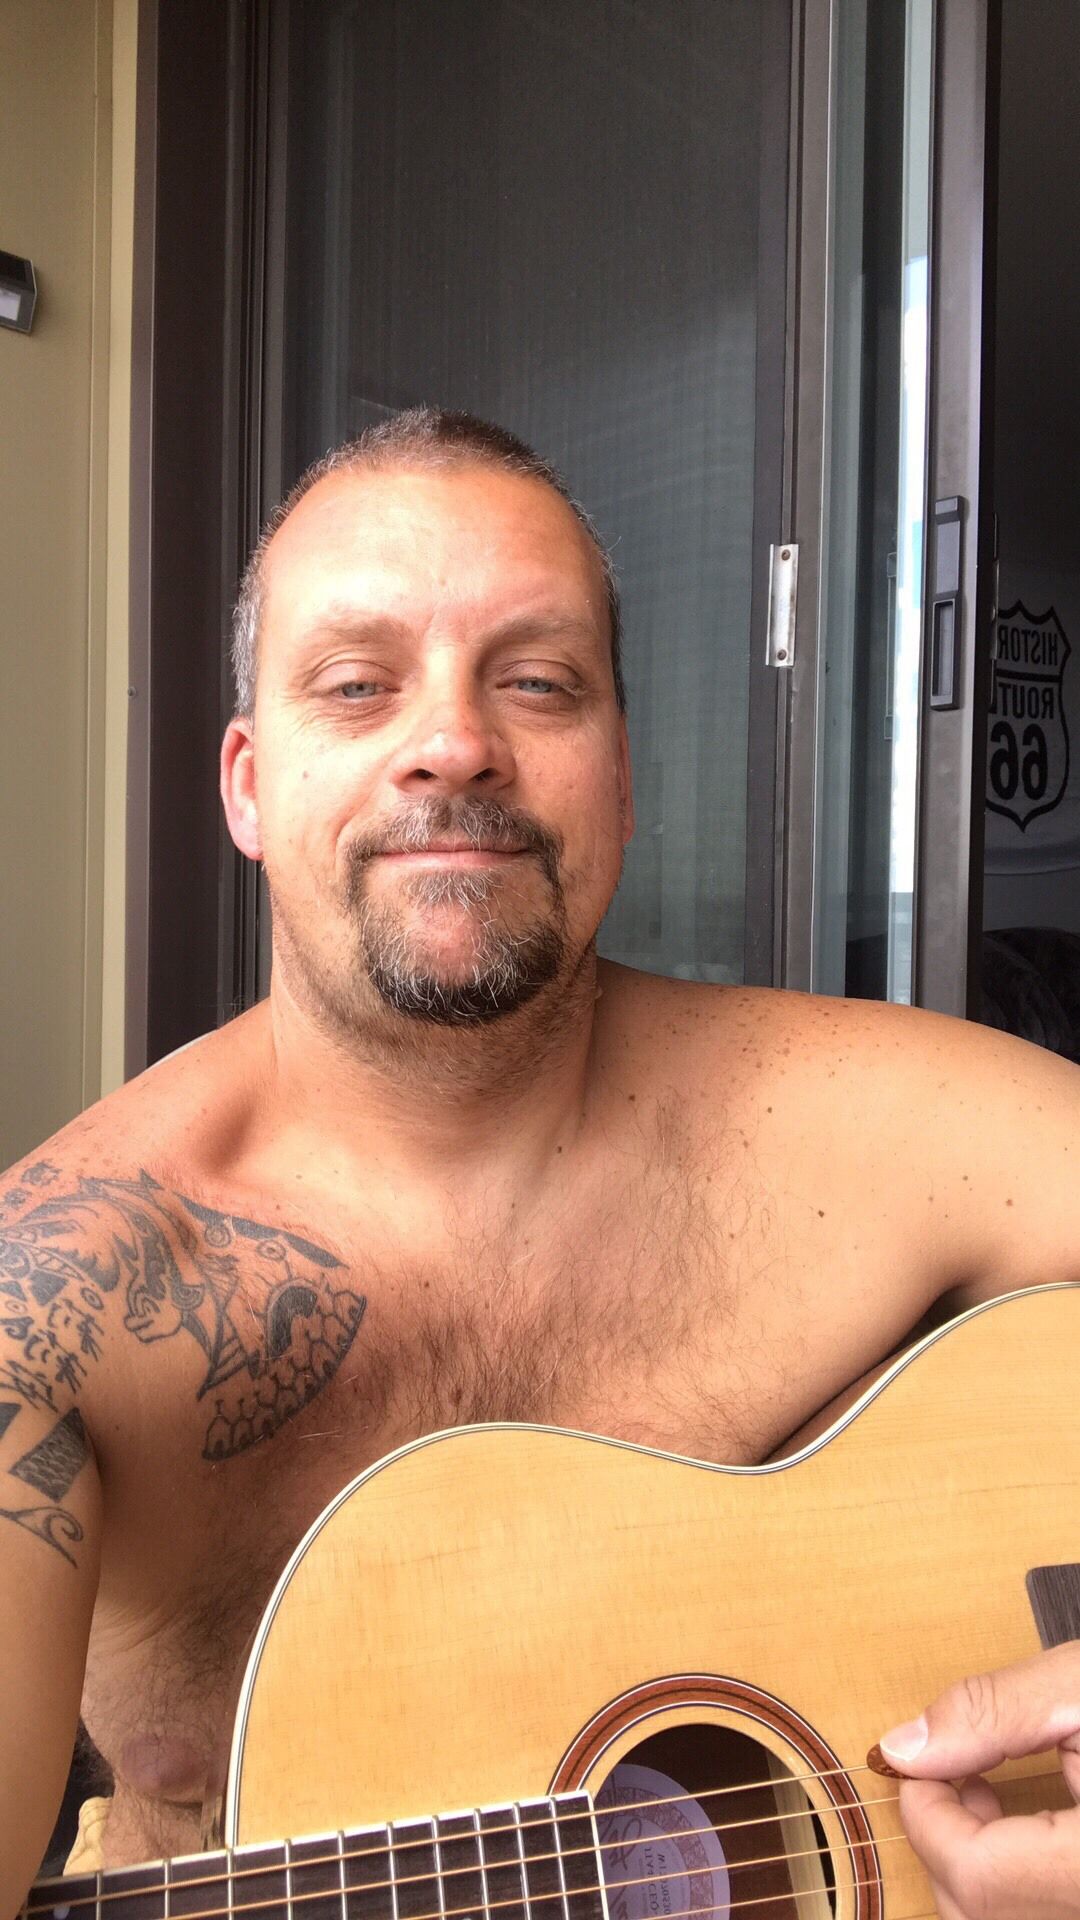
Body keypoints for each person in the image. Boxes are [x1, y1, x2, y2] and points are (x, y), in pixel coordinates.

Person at [1, 410, 1077, 1914]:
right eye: (359, 683)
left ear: (620, 780)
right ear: (246, 786)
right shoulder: (65, 1302)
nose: (454, 741)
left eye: (538, 682)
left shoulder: (877, 1128)